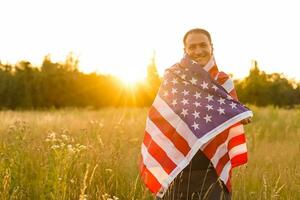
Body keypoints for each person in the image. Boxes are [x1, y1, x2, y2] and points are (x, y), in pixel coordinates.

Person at [155, 28, 252, 200]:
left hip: (212, 170)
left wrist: (238, 115)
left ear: (211, 47)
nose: (198, 51)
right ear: (184, 50)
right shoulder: (173, 78)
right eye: (192, 47)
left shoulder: (223, 81)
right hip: (178, 166)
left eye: (203, 45)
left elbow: (231, 111)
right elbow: (165, 114)